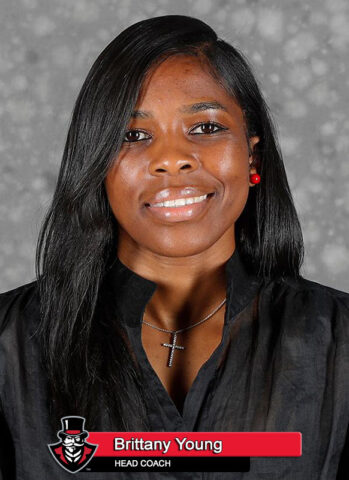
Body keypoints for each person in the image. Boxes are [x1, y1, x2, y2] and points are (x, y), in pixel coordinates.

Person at [0, 14, 348, 480]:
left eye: (205, 128)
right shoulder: (9, 346)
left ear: (253, 156)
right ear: (96, 165)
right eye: (134, 136)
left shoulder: (338, 342)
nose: (171, 160)